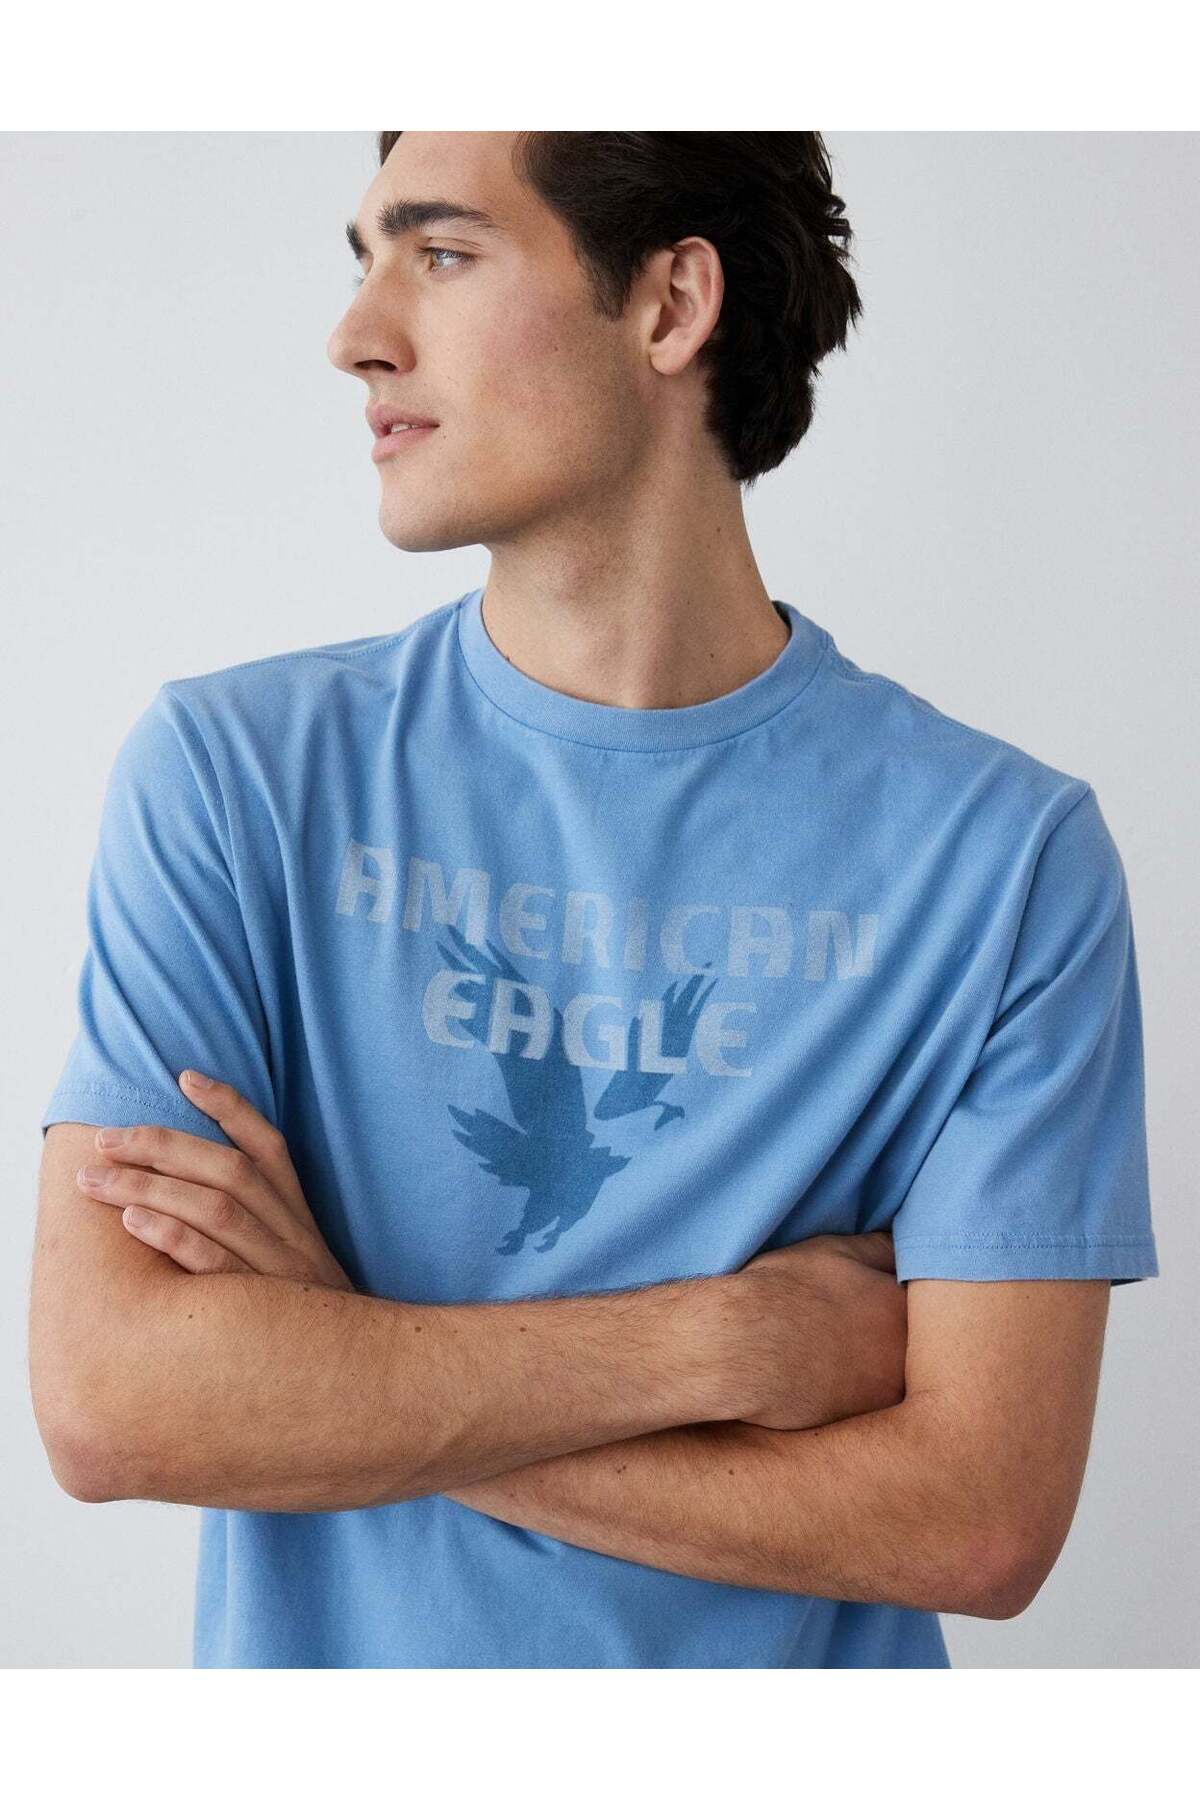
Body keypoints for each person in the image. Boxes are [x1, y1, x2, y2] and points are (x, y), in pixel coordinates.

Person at [31, 131, 1158, 1669]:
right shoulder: (237, 781)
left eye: (440, 254)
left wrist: (333, 1347)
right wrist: (722, 1344)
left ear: (670, 305)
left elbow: (978, 1519)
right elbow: (113, 1402)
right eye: (364, 261)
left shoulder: (1004, 861)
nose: (357, 335)